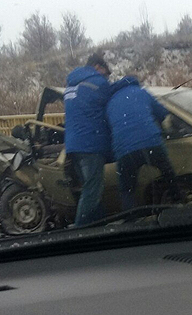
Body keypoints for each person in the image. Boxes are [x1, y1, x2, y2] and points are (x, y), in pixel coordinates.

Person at [107, 76, 181, 210]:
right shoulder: (141, 92)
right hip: (151, 143)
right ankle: (177, 204)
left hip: (125, 151)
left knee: (126, 188)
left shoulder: (110, 103)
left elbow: (109, 128)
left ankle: (130, 218)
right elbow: (162, 113)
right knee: (168, 173)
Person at [63, 54, 112, 226]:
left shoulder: (72, 84)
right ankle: (79, 231)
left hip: (73, 145)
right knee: (92, 191)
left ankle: (102, 224)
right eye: (105, 74)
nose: (106, 78)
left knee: (90, 189)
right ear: (98, 67)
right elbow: (113, 94)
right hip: (91, 144)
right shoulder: (98, 82)